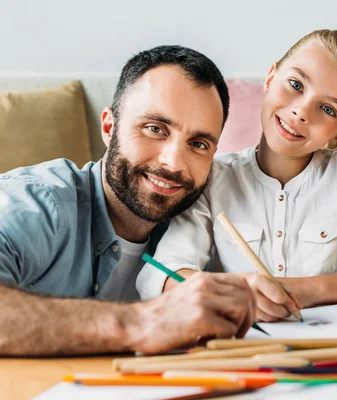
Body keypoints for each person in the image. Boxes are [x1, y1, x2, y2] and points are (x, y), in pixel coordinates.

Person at [137, 30, 337, 322]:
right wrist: (237, 291)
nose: (301, 112)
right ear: (271, 78)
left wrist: (309, 290)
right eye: (296, 85)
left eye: (327, 109)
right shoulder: (217, 177)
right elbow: (158, 275)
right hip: (248, 348)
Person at [0, 45, 256, 356]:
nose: (174, 163)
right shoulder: (39, 204)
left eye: (199, 144)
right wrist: (139, 323)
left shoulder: (206, 227)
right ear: (109, 127)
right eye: (154, 129)